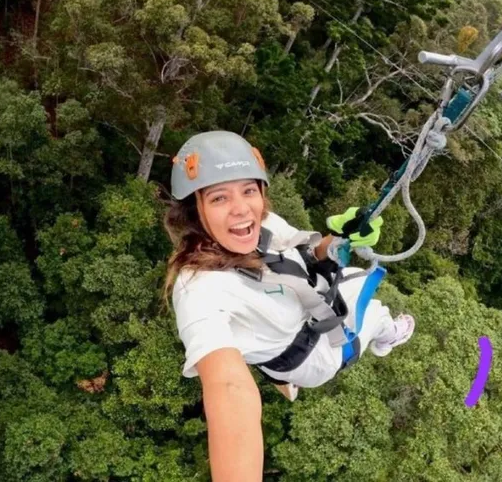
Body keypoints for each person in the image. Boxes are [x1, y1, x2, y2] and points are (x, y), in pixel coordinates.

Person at [163, 131, 415, 481]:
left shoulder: (262, 224)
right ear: (195, 210)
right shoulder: (199, 290)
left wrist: (339, 237)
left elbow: (302, 254)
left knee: (350, 272)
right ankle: (387, 335)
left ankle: (283, 376)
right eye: (219, 198)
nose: (241, 208)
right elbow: (229, 389)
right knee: (373, 307)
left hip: (299, 312)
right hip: (312, 356)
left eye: (249, 191)